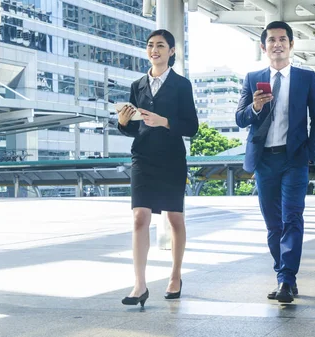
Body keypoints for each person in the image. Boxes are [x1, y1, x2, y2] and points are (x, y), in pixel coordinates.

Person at [236, 21, 315, 303]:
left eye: (283, 39)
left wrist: (309, 153)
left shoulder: (306, 78)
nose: (277, 44)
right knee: (273, 223)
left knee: (292, 218)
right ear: (263, 47)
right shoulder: (252, 78)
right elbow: (240, 119)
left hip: (294, 160)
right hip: (264, 160)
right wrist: (255, 106)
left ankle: (286, 279)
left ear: (291, 45)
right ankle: (283, 274)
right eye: (272, 40)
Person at [117, 29, 199, 307]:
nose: (155, 50)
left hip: (172, 159)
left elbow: (192, 127)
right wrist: (123, 122)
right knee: (140, 217)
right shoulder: (138, 84)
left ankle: (175, 275)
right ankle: (139, 285)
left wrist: (165, 122)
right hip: (143, 157)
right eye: (151, 45)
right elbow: (133, 130)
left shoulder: (181, 85)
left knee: (175, 219)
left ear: (171, 51)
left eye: (161, 46)